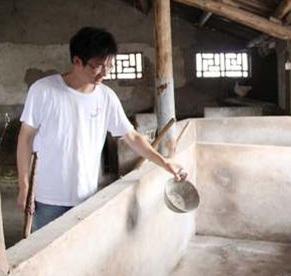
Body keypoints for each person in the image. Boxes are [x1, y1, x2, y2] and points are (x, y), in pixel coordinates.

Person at [16, 26, 186, 231]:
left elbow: (131, 136)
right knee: (44, 258)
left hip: (86, 195)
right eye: (97, 66)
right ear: (77, 61)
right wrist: (24, 185)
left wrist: (164, 162)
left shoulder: (106, 97)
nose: (104, 73)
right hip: (46, 198)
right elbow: (25, 139)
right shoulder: (43, 91)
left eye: (109, 66)